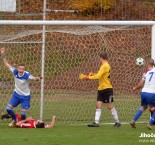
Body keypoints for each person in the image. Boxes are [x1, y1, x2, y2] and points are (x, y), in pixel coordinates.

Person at [0, 48, 42, 126]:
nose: (21, 70)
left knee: (23, 114)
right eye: (20, 68)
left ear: (24, 69)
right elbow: (6, 64)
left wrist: (37, 78)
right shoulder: (15, 71)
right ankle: (15, 120)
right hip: (16, 94)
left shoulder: (26, 75)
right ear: (18, 68)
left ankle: (22, 124)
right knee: (8, 109)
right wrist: (3, 53)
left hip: (25, 96)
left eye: (22, 69)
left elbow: (33, 78)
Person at [80, 53, 121, 127]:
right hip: (101, 89)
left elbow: (98, 76)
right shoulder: (104, 66)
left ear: (101, 58)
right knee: (98, 105)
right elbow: (100, 75)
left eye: (99, 58)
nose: (99, 59)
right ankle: (96, 122)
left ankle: (117, 122)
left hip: (107, 89)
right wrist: (93, 74)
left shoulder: (105, 66)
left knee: (109, 106)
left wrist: (87, 77)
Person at [130, 59, 154, 128]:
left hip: (143, 92)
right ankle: (150, 124)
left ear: (147, 64)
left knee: (143, 107)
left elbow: (140, 84)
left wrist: (135, 88)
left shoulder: (146, 72)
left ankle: (133, 120)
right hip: (151, 93)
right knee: (153, 108)